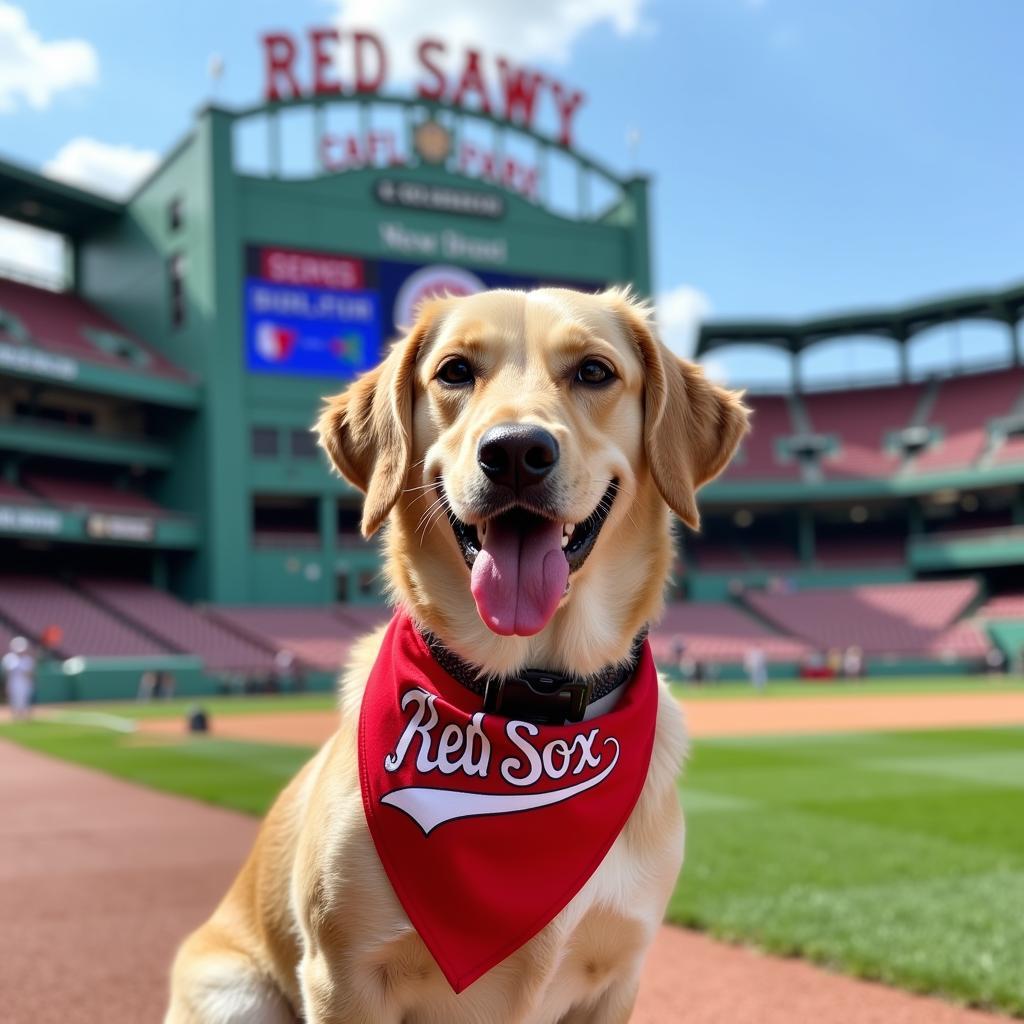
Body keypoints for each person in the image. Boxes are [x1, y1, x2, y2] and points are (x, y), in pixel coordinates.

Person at [3, 637, 36, 721]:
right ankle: (15, 715)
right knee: (14, 699)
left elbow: (31, 673)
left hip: (25, 682)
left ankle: (24, 716)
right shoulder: (9, 658)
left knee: (25, 699)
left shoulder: (27, 659)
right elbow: (8, 673)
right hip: (14, 682)